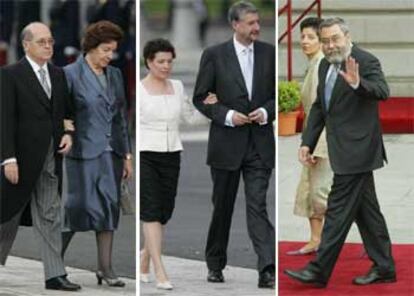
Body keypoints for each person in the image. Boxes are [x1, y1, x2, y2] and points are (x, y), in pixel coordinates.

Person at [284, 17, 396, 287]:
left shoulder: (365, 60)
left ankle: (319, 270)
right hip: (340, 148)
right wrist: (306, 142)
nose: (330, 45)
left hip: (359, 150)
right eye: (325, 41)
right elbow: (321, 109)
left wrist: (359, 84)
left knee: (336, 209)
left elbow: (383, 92)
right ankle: (384, 267)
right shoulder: (324, 64)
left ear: (346, 36)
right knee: (367, 213)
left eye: (335, 39)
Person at [193, 1, 275, 289]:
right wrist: (227, 115)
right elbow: (200, 97)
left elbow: (278, 96)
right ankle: (215, 264)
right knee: (222, 207)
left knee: (258, 205)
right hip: (226, 145)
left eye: (257, 22)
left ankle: (267, 267)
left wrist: (266, 112)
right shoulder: (214, 55)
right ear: (235, 25)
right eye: (251, 22)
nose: (257, 27)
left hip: (260, 145)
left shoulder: (270, 54)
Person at [0, 22, 80, 291]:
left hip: (50, 158)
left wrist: (68, 134)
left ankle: (54, 274)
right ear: (26, 45)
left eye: (50, 41)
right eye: (42, 41)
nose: (48, 46)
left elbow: (67, 112)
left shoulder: (58, 75)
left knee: (50, 214)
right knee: (6, 217)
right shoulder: (10, 75)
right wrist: (7, 158)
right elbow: (4, 121)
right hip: (19, 161)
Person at [139, 38, 217, 290]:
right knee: (150, 211)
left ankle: (144, 256)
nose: (165, 66)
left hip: (171, 153)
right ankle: (159, 269)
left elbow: (190, 118)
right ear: (149, 62)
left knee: (164, 211)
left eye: (169, 61)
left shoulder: (177, 86)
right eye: (160, 61)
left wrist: (208, 107)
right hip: (145, 154)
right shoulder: (139, 90)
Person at [60, 20, 133, 287]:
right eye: (105, 49)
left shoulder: (114, 74)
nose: (109, 56)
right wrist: (65, 133)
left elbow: (121, 118)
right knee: (78, 208)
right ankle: (55, 266)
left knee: (108, 208)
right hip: (82, 152)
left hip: (111, 152)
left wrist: (126, 155)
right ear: (90, 47)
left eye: (112, 50)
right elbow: (63, 114)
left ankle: (106, 268)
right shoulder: (69, 73)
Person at [287, 17, 332, 256]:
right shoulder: (313, 64)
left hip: (321, 140)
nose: (304, 41)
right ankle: (316, 239)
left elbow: (320, 109)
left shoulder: (321, 65)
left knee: (321, 193)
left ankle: (323, 240)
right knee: (310, 190)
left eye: (310, 37)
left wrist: (313, 145)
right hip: (312, 138)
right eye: (302, 36)